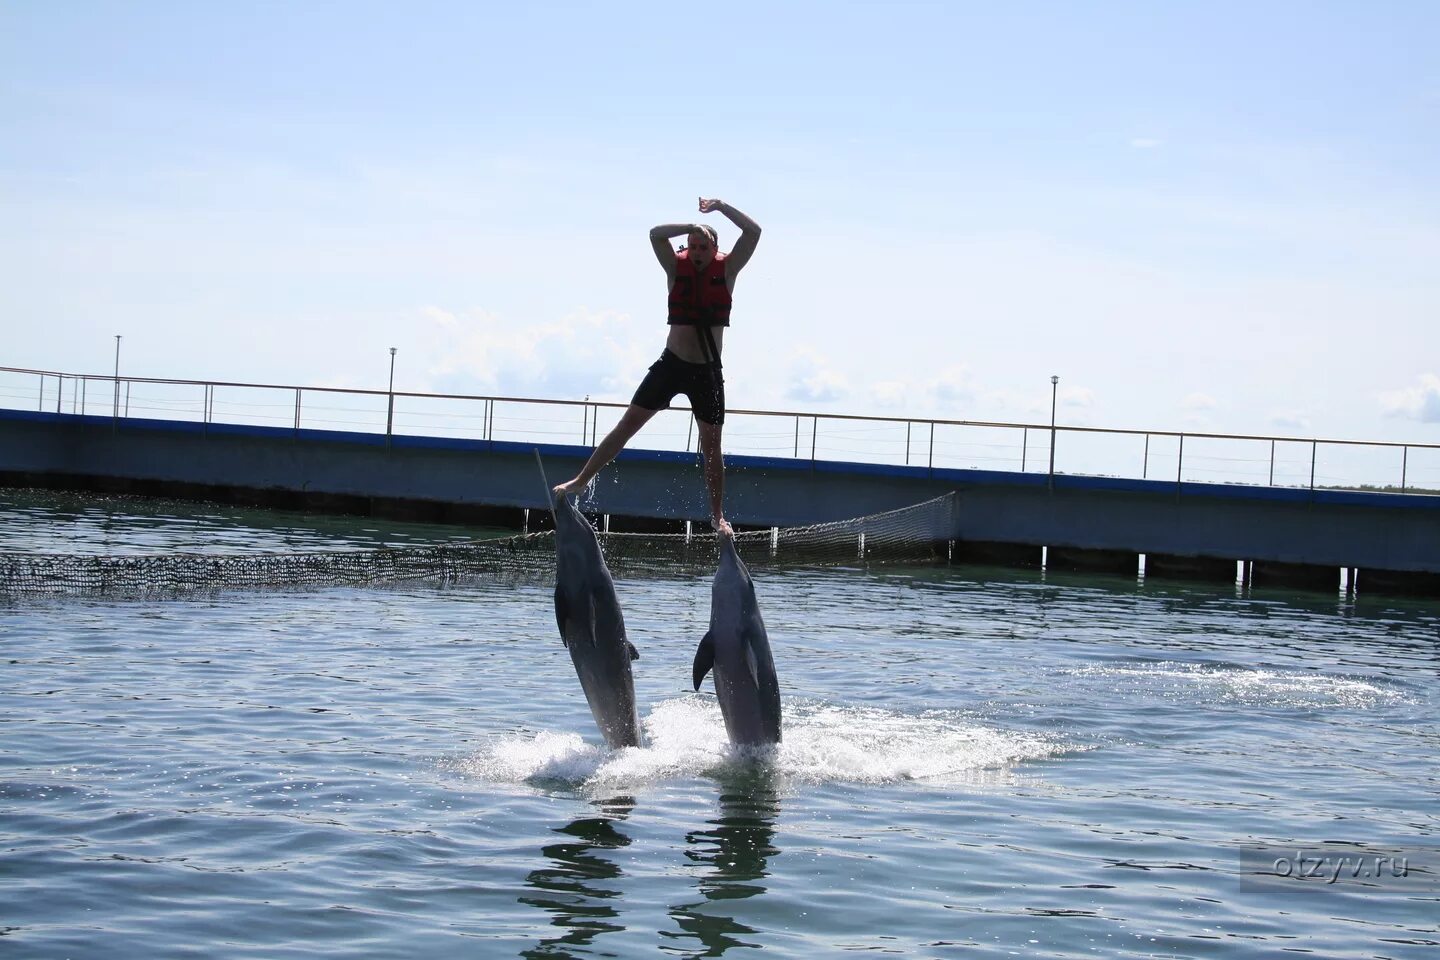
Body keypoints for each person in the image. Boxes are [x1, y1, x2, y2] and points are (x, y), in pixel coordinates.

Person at [552, 197, 762, 537]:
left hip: (707, 371)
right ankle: (581, 480)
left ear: (714, 250)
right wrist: (690, 225)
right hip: (671, 365)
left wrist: (720, 207)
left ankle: (717, 515)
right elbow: (655, 234)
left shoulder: (728, 270)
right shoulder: (673, 268)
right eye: (692, 246)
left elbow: (754, 231)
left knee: (711, 446)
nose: (696, 252)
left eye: (703, 247)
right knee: (627, 425)